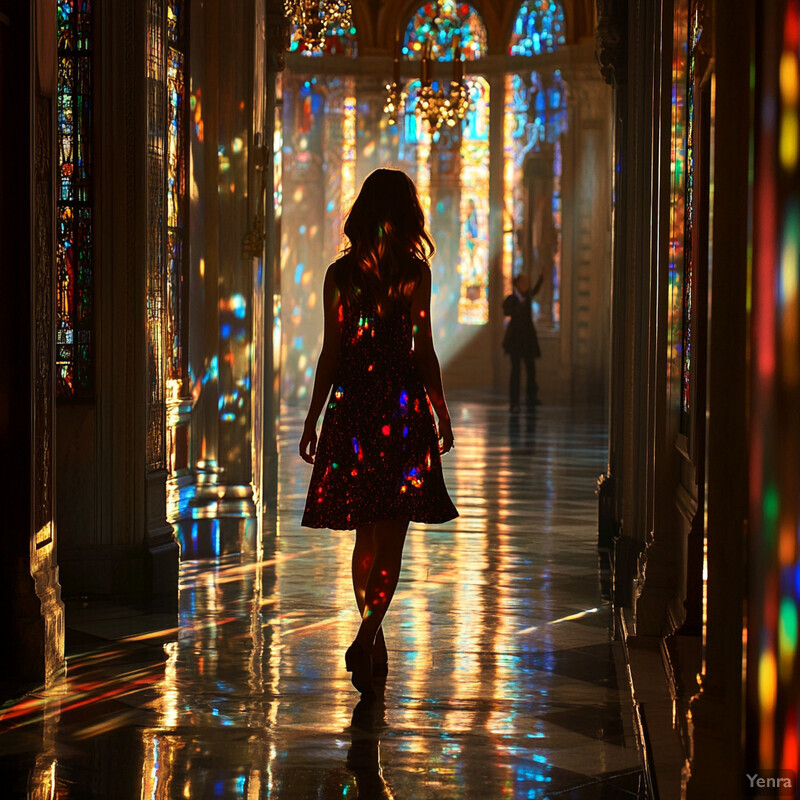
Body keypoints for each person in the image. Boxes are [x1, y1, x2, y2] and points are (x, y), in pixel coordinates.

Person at [299, 168, 458, 697]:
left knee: (367, 532)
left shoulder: (339, 276)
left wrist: (314, 415)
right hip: (400, 408)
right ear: (407, 216)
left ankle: (373, 633)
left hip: (353, 409)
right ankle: (368, 635)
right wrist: (438, 409)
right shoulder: (414, 274)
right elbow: (424, 350)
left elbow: (332, 354)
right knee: (391, 532)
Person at [502, 272, 544, 411]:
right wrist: (515, 308)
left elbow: (535, 290)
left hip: (528, 340)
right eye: (524, 283)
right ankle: (514, 402)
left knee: (531, 370)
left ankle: (531, 398)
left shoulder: (528, 297)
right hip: (515, 341)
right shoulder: (512, 299)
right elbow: (506, 311)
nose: (526, 285)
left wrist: (541, 277)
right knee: (516, 371)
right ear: (518, 285)